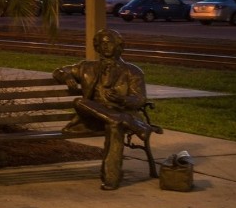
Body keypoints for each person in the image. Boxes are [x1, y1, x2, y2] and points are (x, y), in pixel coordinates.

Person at [52, 28, 160, 190]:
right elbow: (58, 71)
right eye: (101, 44)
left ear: (119, 46)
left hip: (121, 112)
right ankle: (127, 122)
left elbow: (139, 99)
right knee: (80, 102)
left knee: (114, 125)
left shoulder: (133, 71)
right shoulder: (86, 67)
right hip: (93, 118)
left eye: (109, 43)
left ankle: (111, 178)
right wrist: (67, 76)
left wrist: (123, 99)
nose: (105, 47)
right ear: (97, 46)